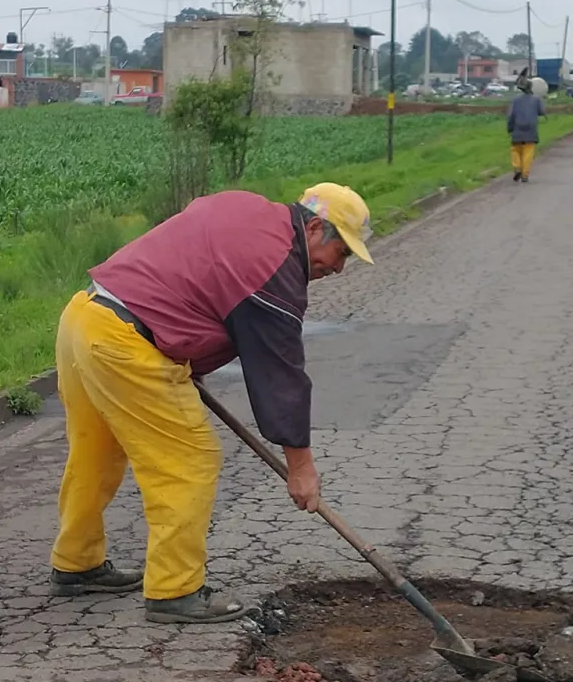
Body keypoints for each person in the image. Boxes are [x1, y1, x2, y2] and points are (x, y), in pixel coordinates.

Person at [49, 183, 372, 623]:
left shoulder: (246, 207)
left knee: (97, 450)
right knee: (190, 459)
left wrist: (189, 347)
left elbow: (195, 264)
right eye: (343, 253)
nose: (339, 268)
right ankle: (175, 592)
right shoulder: (275, 268)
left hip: (86, 317)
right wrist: (301, 466)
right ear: (314, 227)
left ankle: (77, 562)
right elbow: (279, 376)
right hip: (126, 343)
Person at [507, 77, 546, 183]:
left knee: (515, 150)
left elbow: (510, 116)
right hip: (531, 129)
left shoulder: (515, 100)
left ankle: (517, 168)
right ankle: (525, 174)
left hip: (517, 128)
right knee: (528, 152)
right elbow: (542, 112)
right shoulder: (536, 99)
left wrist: (509, 128)